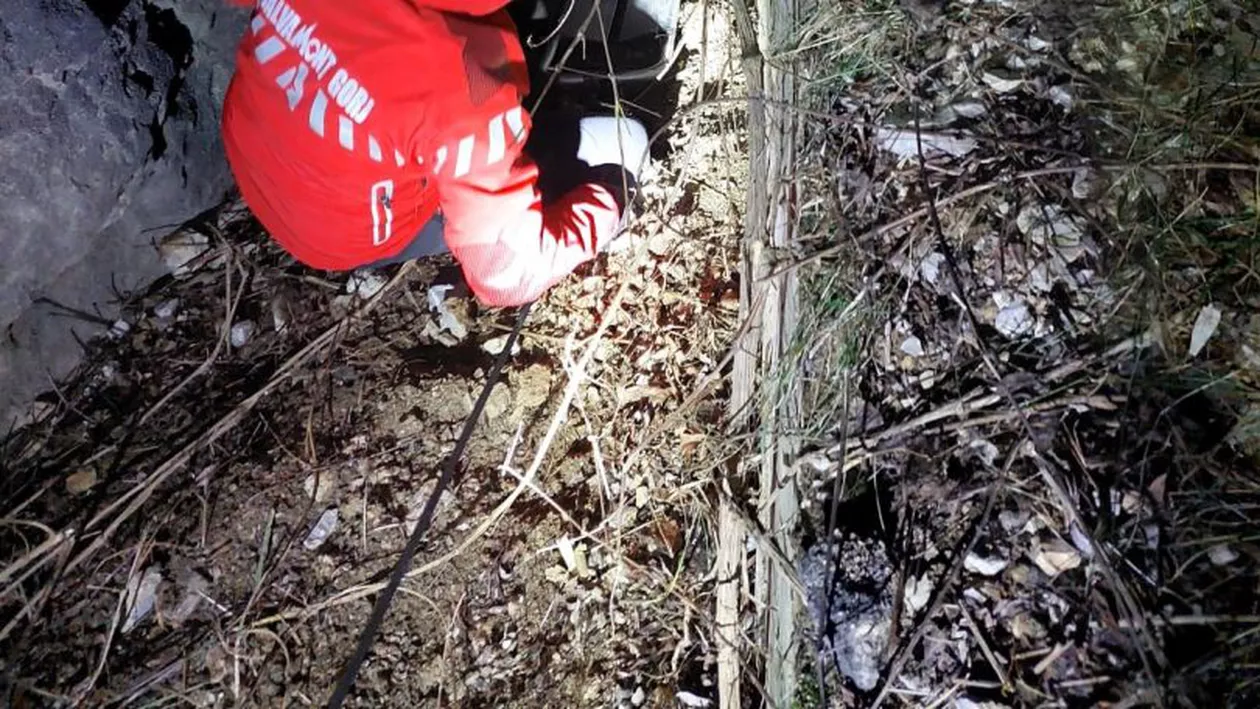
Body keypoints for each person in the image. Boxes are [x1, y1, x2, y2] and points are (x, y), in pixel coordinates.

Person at [221, 0, 649, 307]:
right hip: (336, 233)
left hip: (253, 152)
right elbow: (504, 277)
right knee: (626, 142)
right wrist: (605, 207)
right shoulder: (463, 80)